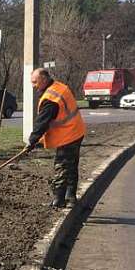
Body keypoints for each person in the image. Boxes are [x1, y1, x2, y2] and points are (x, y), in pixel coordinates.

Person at [26, 68, 87, 209]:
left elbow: (42, 123)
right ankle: (70, 197)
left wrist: (31, 141)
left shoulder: (50, 99)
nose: (33, 85)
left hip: (68, 134)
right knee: (71, 165)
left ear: (44, 80)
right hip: (76, 130)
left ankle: (59, 199)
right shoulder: (59, 87)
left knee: (61, 166)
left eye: (35, 82)